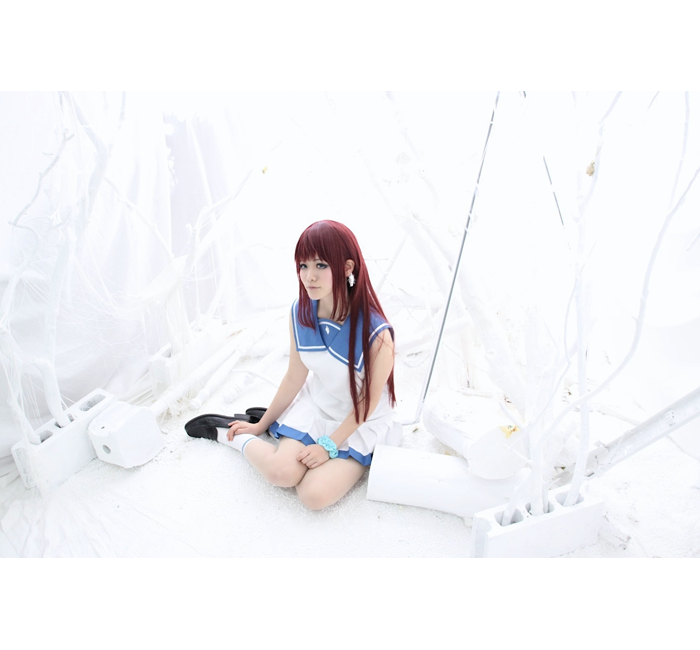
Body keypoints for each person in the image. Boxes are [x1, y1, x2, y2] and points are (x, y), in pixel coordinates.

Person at [207, 220, 399, 510]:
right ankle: (228, 435)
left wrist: (328, 445)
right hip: (317, 407)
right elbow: (295, 377)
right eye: (303, 265)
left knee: (313, 496)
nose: (309, 276)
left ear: (347, 268)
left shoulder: (376, 334)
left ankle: (290, 433)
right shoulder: (301, 312)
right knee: (280, 473)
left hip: (360, 421)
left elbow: (367, 402)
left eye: (321, 265)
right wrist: (260, 426)